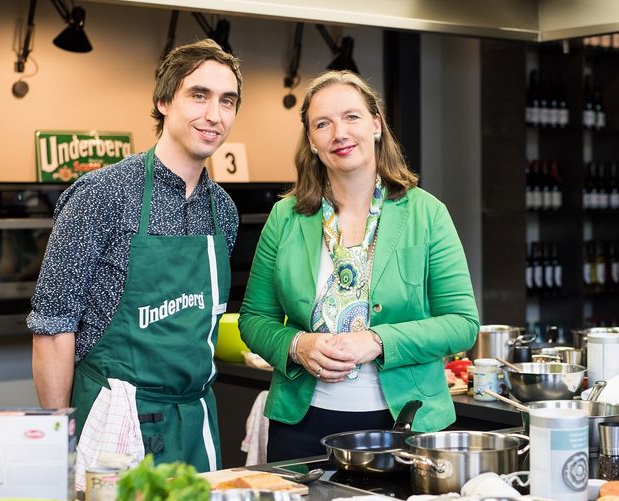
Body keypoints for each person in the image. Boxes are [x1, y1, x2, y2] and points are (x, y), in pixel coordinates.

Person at [238, 71, 480, 461]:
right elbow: (253, 319)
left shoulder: (427, 214)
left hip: (406, 425)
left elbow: (462, 323)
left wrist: (378, 340)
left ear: (376, 125)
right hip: (300, 427)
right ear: (312, 142)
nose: (339, 132)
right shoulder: (285, 217)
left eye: (351, 116)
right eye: (323, 123)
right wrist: (297, 345)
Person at [27, 39, 242, 472]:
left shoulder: (224, 211)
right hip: (112, 423)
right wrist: (59, 442)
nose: (214, 115)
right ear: (164, 101)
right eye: (198, 95)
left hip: (195, 421)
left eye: (227, 101)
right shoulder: (102, 195)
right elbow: (52, 326)